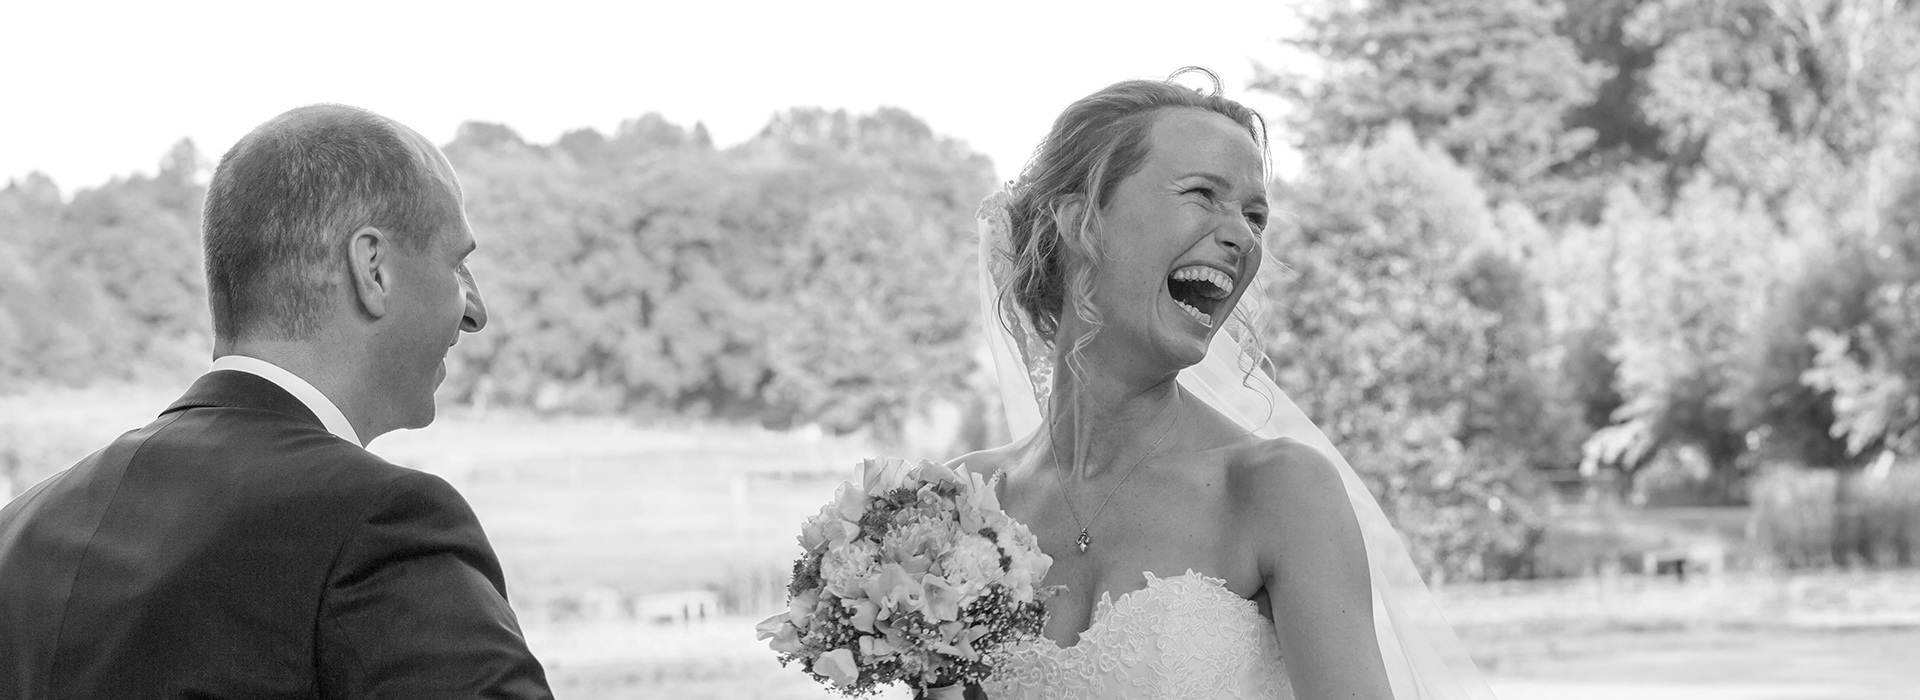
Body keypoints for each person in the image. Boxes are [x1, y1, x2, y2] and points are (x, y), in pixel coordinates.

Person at [955, 70, 1495, 699]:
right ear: (1082, 222)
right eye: (1203, 193)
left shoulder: (1276, 489)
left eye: (1255, 215)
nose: (1243, 234)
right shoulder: (963, 504)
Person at [0, 104, 553, 699]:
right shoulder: (380, 523)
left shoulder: (20, 533)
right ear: (373, 269)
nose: (475, 310)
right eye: (457, 264)